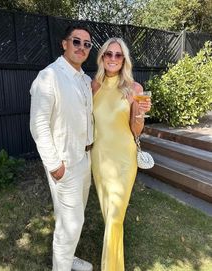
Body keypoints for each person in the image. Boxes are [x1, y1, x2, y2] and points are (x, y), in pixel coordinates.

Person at [30, 24, 94, 271]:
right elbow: (38, 125)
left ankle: (69, 258)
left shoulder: (85, 79)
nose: (81, 47)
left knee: (74, 220)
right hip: (65, 162)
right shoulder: (50, 76)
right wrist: (55, 165)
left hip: (85, 158)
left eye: (86, 44)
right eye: (76, 41)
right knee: (71, 221)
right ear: (64, 43)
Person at [91, 37, 151, 271]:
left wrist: (140, 113)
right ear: (102, 57)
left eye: (118, 55)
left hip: (124, 159)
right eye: (109, 54)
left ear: (124, 59)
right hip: (100, 157)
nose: (113, 59)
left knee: (116, 215)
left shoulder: (134, 88)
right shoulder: (93, 85)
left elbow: (136, 130)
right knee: (109, 214)